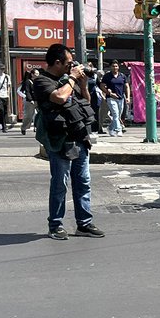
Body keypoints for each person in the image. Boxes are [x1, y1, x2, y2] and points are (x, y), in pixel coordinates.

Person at [33, 43, 104, 240]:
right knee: (60, 184)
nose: (71, 66)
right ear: (57, 63)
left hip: (79, 136)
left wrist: (82, 83)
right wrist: (72, 77)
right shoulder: (42, 81)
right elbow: (59, 98)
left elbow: (86, 102)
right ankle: (55, 225)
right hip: (59, 139)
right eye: (68, 63)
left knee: (83, 182)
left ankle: (84, 223)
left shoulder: (70, 81)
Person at [101, 60, 130, 136]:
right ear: (110, 67)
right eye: (113, 66)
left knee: (117, 115)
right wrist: (109, 93)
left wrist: (128, 97)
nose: (115, 68)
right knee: (115, 114)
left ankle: (110, 128)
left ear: (118, 67)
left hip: (121, 98)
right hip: (111, 98)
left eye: (116, 66)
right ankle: (118, 130)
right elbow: (102, 86)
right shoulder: (107, 76)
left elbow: (127, 86)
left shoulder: (122, 76)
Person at [19, 68, 39, 135]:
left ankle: (38, 127)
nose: (37, 75)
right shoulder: (28, 81)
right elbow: (27, 91)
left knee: (39, 114)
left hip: (38, 100)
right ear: (32, 74)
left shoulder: (38, 81)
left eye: (38, 74)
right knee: (28, 116)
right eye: (36, 74)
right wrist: (30, 99)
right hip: (30, 101)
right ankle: (24, 128)